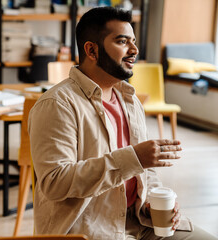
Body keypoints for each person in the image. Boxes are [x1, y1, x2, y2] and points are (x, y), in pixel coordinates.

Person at [28, 7, 217, 240]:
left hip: (139, 221)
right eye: (122, 41)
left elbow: (144, 171)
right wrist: (133, 158)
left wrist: (150, 201)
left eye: (134, 42)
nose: (134, 50)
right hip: (88, 229)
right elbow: (54, 182)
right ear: (91, 50)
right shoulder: (58, 104)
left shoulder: (130, 100)